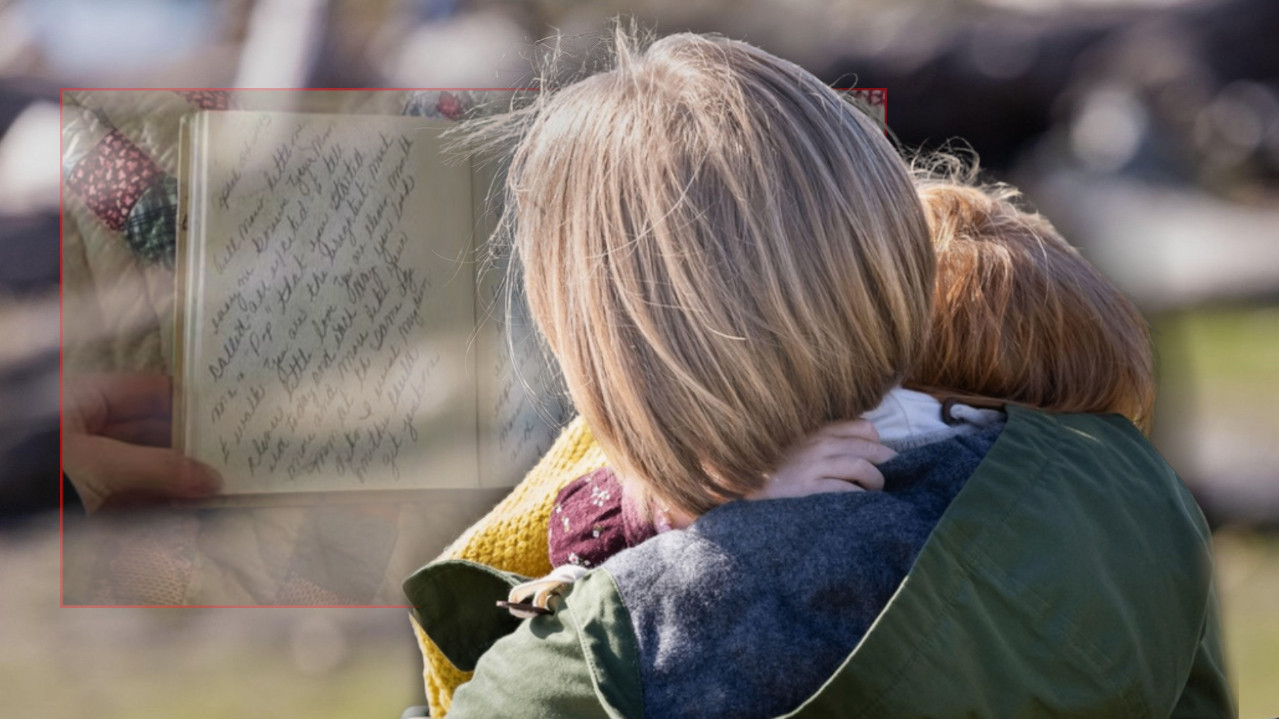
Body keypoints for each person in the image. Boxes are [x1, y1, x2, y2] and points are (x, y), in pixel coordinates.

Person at [404, 31, 1232, 718]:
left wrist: (706, 554)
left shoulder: (589, 661)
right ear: (881, 238)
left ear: (623, 357)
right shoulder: (1120, 492)